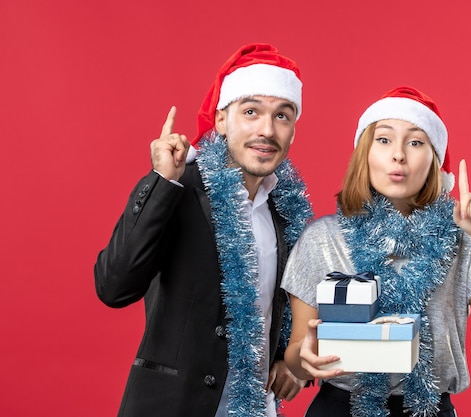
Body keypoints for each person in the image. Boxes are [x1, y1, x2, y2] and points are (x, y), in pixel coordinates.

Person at [281, 86, 471, 416]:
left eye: (415, 142)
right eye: (383, 140)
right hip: (341, 407)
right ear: (365, 154)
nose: (398, 154)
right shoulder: (322, 238)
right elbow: (297, 359)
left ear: (434, 161)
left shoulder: (458, 240)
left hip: (428, 407)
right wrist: (305, 357)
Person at [94, 43, 314, 417]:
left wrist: (288, 362)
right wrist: (162, 181)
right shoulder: (181, 187)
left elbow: (276, 305)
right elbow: (114, 286)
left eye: (282, 116)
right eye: (250, 112)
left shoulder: (286, 209)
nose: (267, 130)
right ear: (222, 120)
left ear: (293, 130)